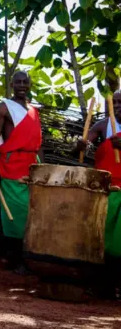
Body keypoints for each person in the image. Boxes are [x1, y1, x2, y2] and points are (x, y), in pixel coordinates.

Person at [0, 71, 42, 275]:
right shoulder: (4, 108)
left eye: (25, 81)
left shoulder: (34, 111)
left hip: (31, 166)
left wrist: (42, 168)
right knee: (15, 215)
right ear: (11, 84)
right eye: (18, 81)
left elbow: (39, 144)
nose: (21, 85)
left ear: (29, 84)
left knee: (30, 212)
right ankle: (17, 258)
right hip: (11, 166)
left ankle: (19, 257)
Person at [74, 91, 121, 297]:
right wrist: (80, 144)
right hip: (107, 189)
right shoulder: (102, 126)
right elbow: (81, 147)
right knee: (104, 238)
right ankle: (105, 285)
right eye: (115, 103)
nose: (118, 106)